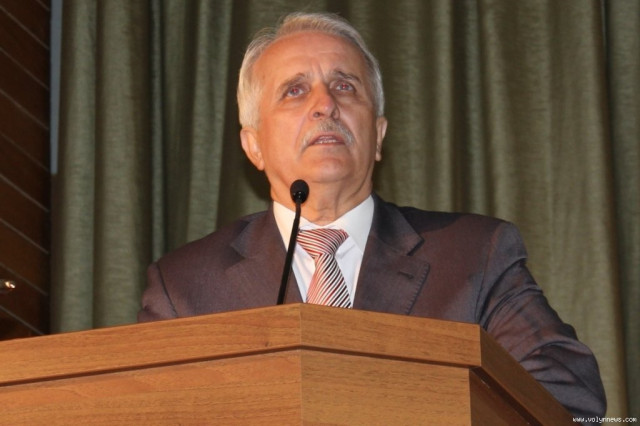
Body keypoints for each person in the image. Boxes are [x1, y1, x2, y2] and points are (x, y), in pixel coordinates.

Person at [138, 12, 606, 420]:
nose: (325, 104)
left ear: (378, 135)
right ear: (253, 145)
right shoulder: (185, 287)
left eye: (345, 86)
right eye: (295, 91)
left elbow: (569, 397)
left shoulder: (475, 255)